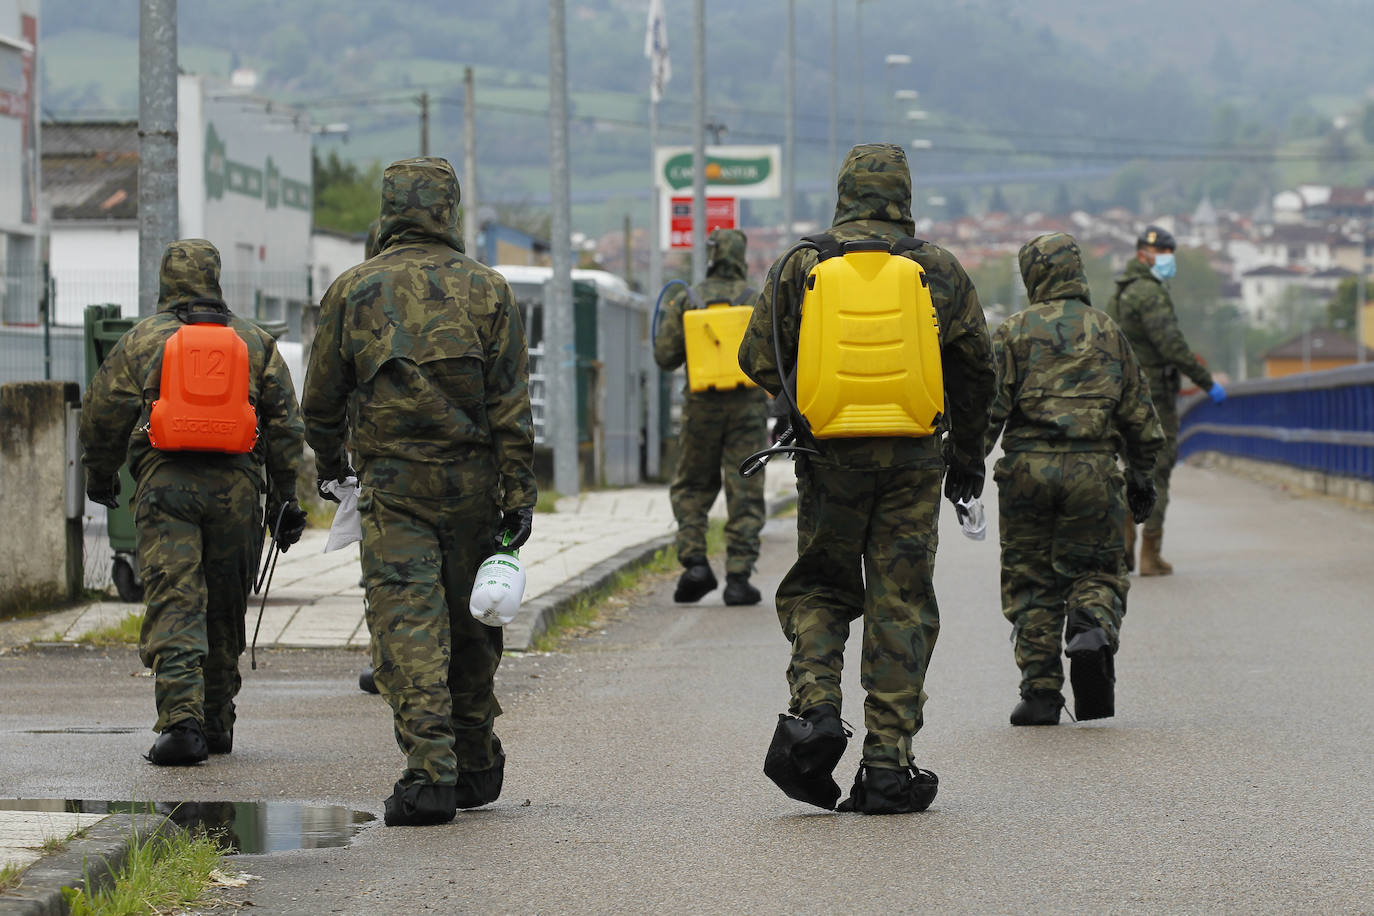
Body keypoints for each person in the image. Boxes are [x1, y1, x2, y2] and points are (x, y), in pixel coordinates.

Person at [739, 143, 995, 814]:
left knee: (821, 587)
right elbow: (977, 372)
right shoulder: (937, 267)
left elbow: (756, 359)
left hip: (830, 459)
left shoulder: (801, 264)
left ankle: (815, 712)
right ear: (904, 196)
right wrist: (968, 459)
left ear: (844, 192)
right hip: (915, 460)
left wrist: (811, 395)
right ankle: (886, 766)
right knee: (900, 603)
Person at [302, 157, 536, 827]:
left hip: (394, 489)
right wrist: (518, 494)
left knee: (408, 625)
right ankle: (475, 760)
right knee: (471, 623)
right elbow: (511, 406)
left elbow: (320, 400)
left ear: (387, 210)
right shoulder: (488, 289)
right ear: (448, 210)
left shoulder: (353, 289)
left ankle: (431, 774)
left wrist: (331, 465)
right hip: (473, 489)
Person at [80, 239, 306, 766]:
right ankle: (217, 719)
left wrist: (101, 475)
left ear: (166, 280)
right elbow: (285, 425)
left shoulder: (144, 339)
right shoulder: (253, 341)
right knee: (225, 605)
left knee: (176, 600)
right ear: (215, 278)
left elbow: (101, 414)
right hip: (238, 492)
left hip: (167, 488)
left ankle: (182, 725)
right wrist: (285, 496)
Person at [986, 233, 1165, 725]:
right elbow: (1140, 416)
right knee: (1097, 570)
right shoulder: (1107, 331)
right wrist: (1142, 476)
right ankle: (1091, 625)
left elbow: (988, 409)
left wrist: (963, 466)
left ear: (1032, 275)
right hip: (1093, 470)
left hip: (1027, 472)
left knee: (1030, 578)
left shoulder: (1012, 332)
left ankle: (1040, 692)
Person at [653, 228, 767, 606]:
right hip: (748, 410)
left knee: (692, 486)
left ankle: (696, 564)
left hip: (700, 408)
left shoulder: (689, 298)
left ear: (712, 254)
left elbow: (665, 356)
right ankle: (739, 578)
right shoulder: (755, 298)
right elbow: (772, 355)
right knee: (745, 488)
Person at [1107, 225, 1225, 575]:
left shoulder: (1120, 293)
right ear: (1144, 254)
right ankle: (1150, 554)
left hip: (1121, 393)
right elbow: (1171, 345)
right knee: (1157, 469)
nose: (1169, 259)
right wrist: (1206, 382)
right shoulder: (1150, 293)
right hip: (1153, 396)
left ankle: (1124, 544)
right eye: (1164, 253)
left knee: (1132, 468)